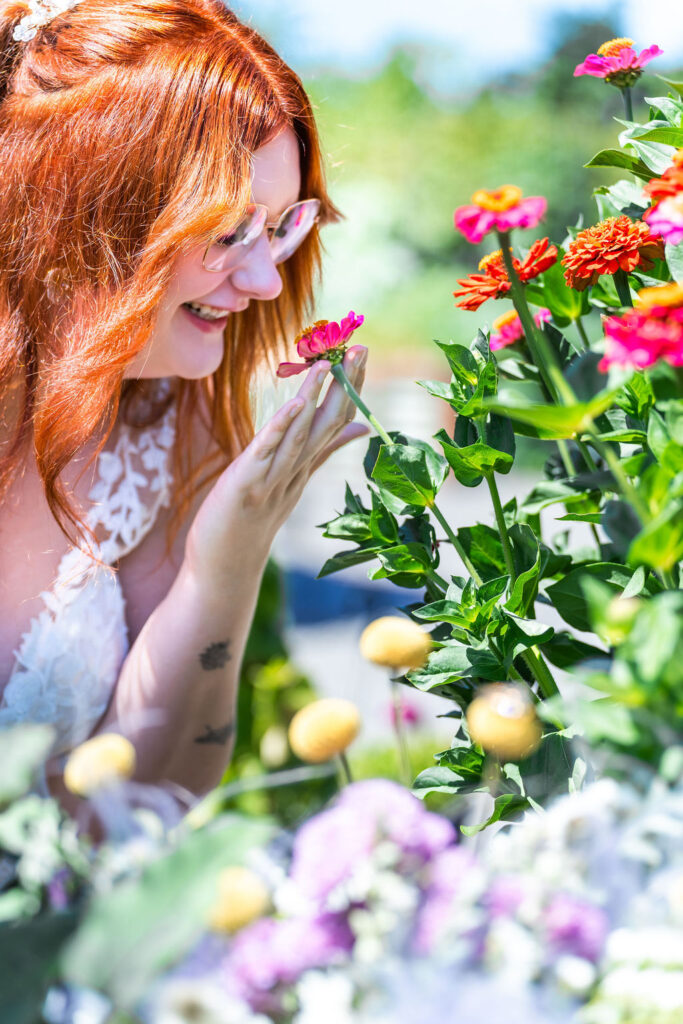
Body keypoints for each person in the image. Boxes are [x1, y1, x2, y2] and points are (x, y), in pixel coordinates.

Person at [0, 0, 370, 804]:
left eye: (280, 226)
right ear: (83, 217)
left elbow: (156, 795)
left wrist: (226, 558)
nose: (267, 279)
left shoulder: (164, 416)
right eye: (227, 231)